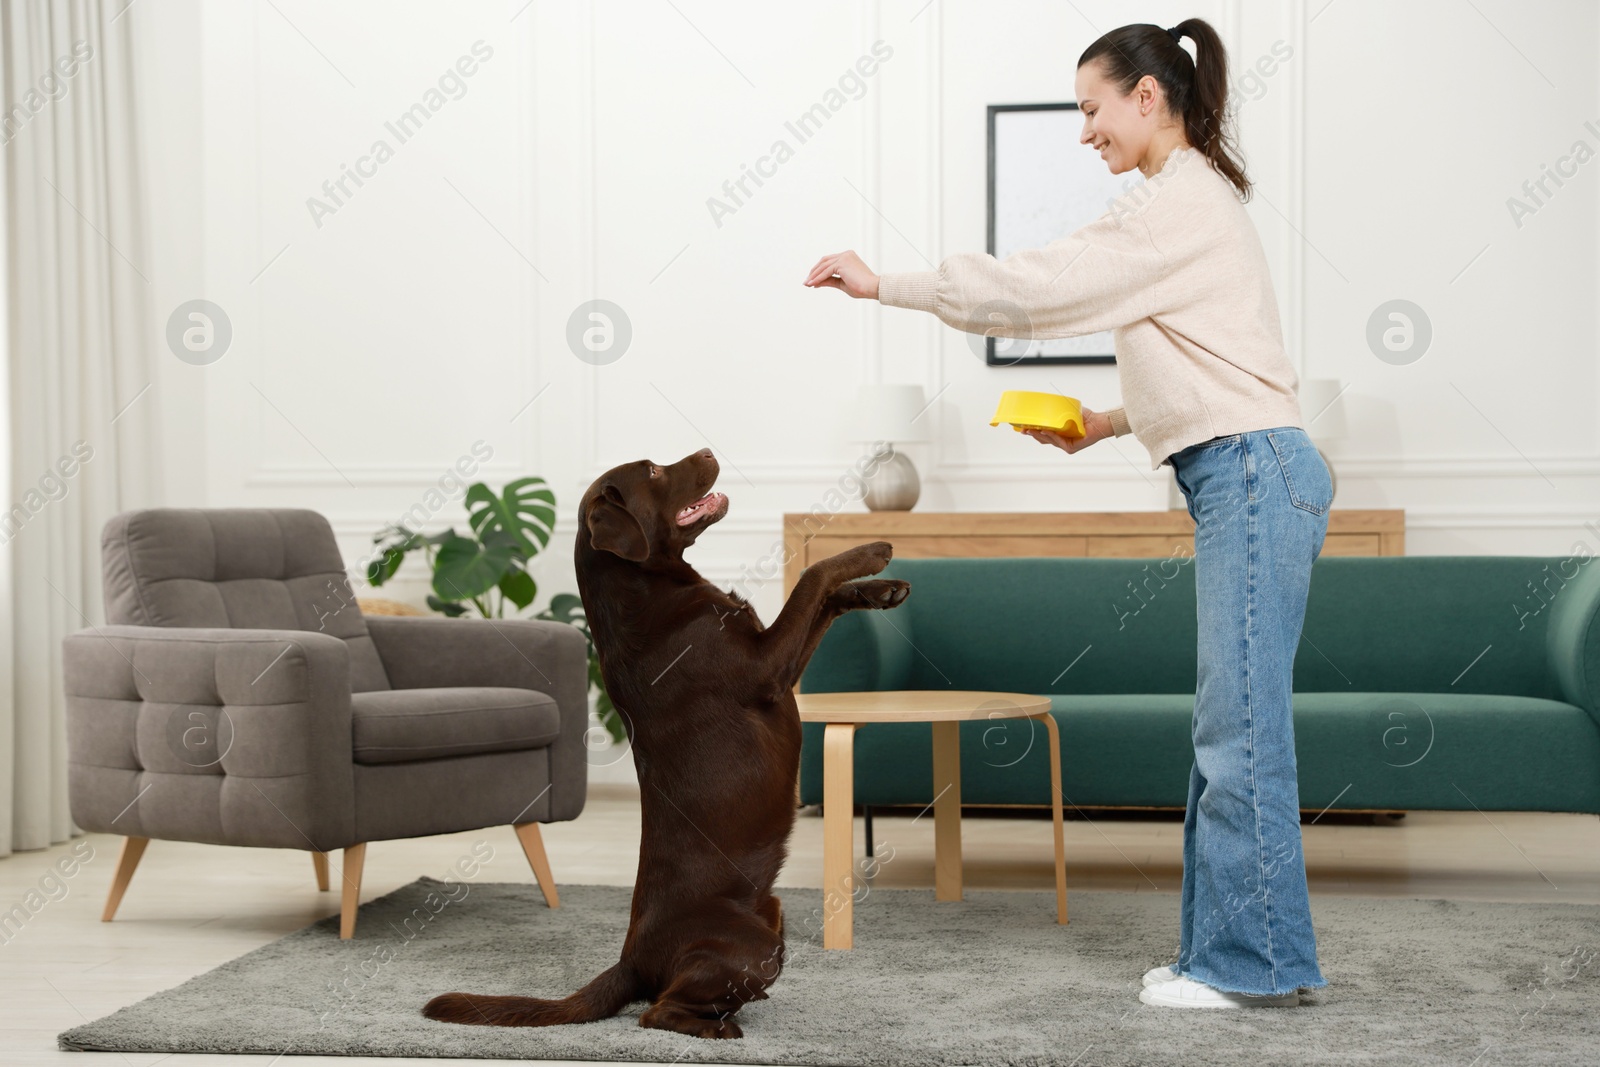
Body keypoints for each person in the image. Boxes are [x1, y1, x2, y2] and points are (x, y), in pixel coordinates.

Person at [802, 17, 1332, 1010]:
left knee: (1238, 730)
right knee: (1235, 724)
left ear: (1145, 95)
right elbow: (1222, 357)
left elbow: (1038, 289)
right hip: (1246, 469)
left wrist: (890, 286)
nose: (1084, 130)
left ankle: (1245, 964)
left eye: (1091, 108)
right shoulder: (1187, 200)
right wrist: (1104, 420)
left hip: (1253, 473)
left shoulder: (1178, 203)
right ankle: (1246, 952)